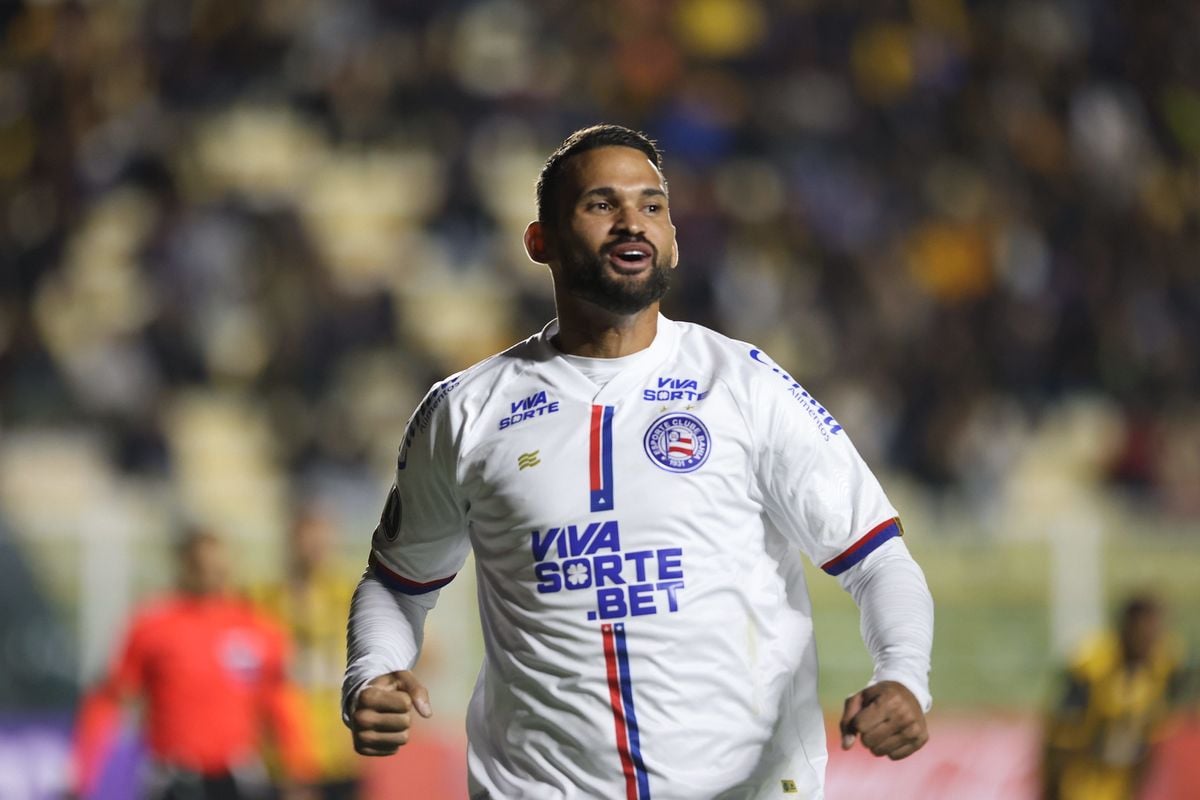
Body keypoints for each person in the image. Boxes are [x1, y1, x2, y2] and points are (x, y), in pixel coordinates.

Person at [343, 124, 934, 799]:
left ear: (674, 241)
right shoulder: (466, 411)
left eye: (652, 206)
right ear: (541, 242)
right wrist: (372, 670)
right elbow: (397, 582)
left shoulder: (744, 384)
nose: (632, 221)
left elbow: (877, 556)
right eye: (600, 204)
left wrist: (903, 675)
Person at [73, 529, 318, 800]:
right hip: (176, 777)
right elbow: (110, 700)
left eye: (219, 566)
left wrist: (298, 773)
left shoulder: (257, 628)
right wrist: (83, 776)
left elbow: (279, 704)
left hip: (238, 777)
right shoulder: (153, 626)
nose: (211, 574)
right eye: (201, 566)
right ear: (184, 566)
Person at [254, 506, 362, 800]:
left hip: (342, 751)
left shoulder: (353, 594)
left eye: (324, 537)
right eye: (308, 537)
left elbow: (421, 648)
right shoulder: (262, 600)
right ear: (291, 541)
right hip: (283, 754)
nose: (316, 546)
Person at [1042, 593, 1184, 800]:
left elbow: (1155, 733)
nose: (1151, 640)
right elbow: (1059, 737)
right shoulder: (1092, 665)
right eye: (1144, 632)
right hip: (1081, 786)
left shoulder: (1163, 666)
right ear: (1127, 629)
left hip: (1121, 787)